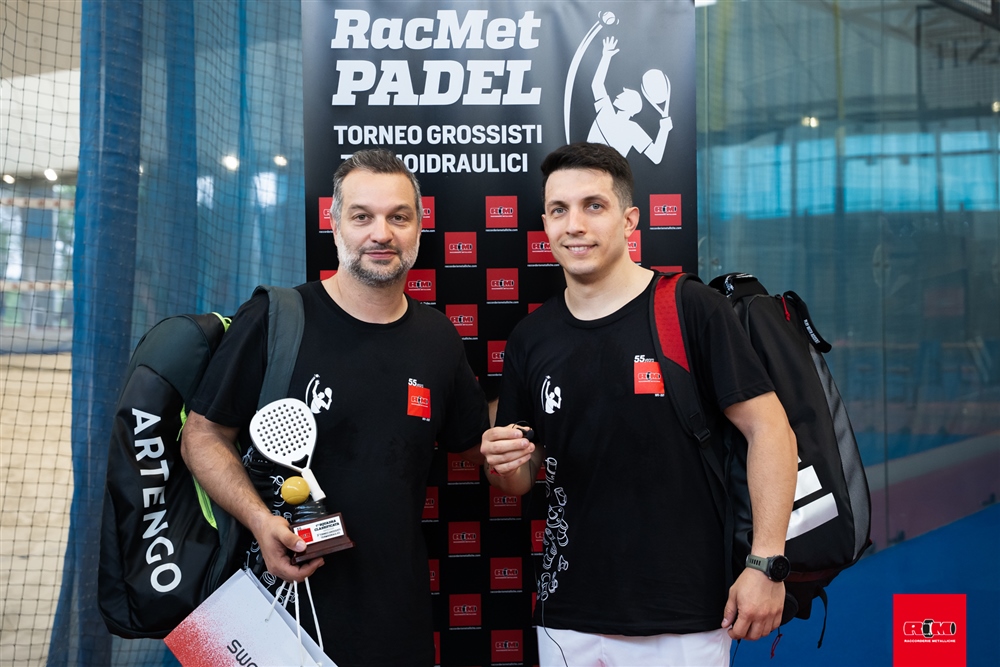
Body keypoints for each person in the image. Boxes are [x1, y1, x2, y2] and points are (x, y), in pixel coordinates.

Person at [480, 142, 797, 666]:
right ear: (545, 224)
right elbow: (519, 480)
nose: (574, 224)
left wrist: (766, 564)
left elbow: (770, 430)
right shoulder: (530, 338)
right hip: (566, 614)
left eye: (593, 206)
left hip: (684, 613)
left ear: (629, 221)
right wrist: (502, 462)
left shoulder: (691, 308)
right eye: (559, 209)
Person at [181, 149, 489, 667]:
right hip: (266, 610)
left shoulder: (438, 337)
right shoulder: (274, 317)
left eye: (398, 217)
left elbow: (476, 443)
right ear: (334, 223)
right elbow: (202, 436)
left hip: (395, 620)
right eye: (362, 216)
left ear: (419, 227)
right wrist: (259, 521)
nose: (381, 234)